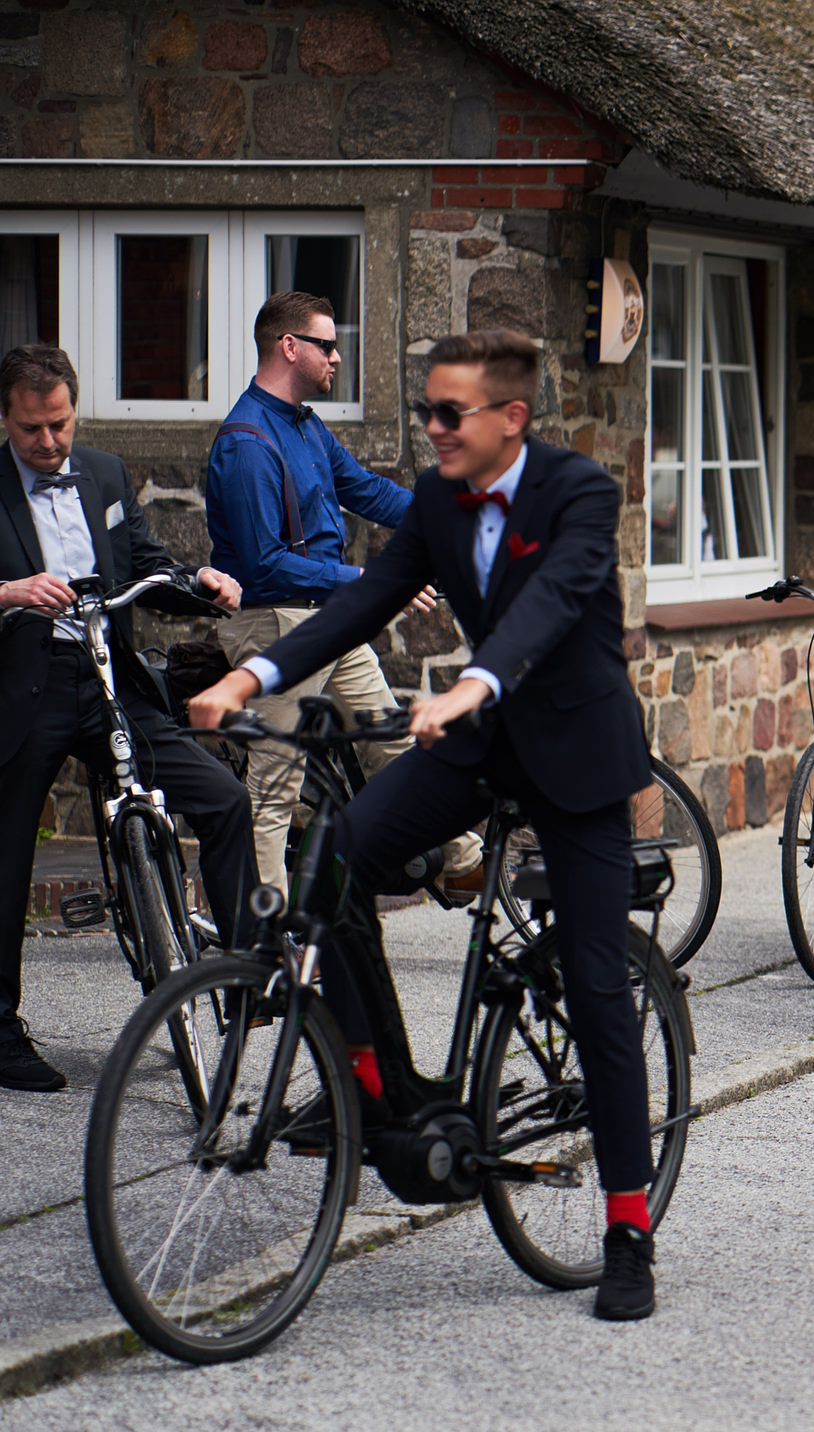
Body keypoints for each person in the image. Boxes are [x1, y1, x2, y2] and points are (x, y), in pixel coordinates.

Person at [189, 330, 664, 1321]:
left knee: (594, 984)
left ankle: (627, 1228)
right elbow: (362, 597)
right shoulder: (442, 499)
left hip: (575, 755)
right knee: (333, 857)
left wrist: (477, 679)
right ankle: (379, 1084)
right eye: (427, 412)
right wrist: (253, 673)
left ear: (510, 418)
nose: (433, 429)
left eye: (450, 413)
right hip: (481, 738)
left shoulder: (578, 491)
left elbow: (554, 599)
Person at [0, 344, 250, 1091]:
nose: (49, 443)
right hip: (27, 688)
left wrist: (199, 583)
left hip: (112, 678)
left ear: (77, 410)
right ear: (6, 420)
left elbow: (147, 566)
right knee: (9, 856)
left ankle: (244, 984)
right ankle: (3, 1033)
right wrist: (13, 592)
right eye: (31, 430)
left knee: (224, 799)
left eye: (60, 425)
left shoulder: (105, 473)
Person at [208, 290, 480, 899]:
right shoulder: (247, 443)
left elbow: (366, 490)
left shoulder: (305, 425)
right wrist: (369, 583)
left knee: (392, 737)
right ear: (289, 347)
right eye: (327, 345)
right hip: (275, 624)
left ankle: (464, 860)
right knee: (275, 784)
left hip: (327, 618)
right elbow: (265, 564)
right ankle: (266, 937)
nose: (336, 357)